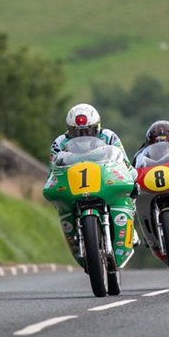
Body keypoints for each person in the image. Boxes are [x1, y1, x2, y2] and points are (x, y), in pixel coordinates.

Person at [49, 103, 140, 245]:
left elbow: (124, 162)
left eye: (88, 131)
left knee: (132, 189)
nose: (83, 136)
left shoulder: (109, 137)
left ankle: (130, 226)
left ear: (97, 127)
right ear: (69, 130)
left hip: (104, 176)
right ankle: (76, 233)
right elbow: (53, 171)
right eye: (77, 132)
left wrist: (132, 177)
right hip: (75, 181)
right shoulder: (59, 143)